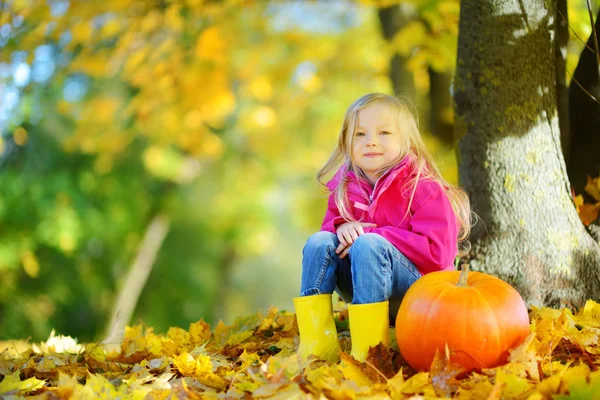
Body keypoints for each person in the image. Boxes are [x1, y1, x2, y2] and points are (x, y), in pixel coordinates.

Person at [293, 93, 471, 363]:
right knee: (318, 242)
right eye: (360, 134)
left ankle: (370, 353)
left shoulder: (422, 187)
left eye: (384, 132)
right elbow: (330, 236)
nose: (371, 141)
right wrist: (342, 226)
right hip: (364, 283)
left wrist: (374, 235)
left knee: (369, 243)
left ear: (406, 140)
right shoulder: (344, 189)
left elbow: (439, 255)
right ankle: (316, 348)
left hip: (417, 294)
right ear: (347, 144)